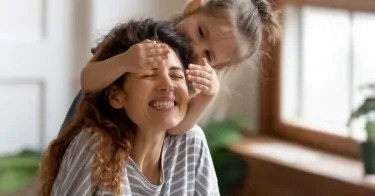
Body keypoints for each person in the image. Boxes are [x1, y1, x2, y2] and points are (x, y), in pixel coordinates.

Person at [40, 19, 219, 196]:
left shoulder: (192, 143)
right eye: (149, 74)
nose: (167, 85)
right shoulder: (95, 148)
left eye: (176, 75)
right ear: (117, 97)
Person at [60, 0, 279, 135]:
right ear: (193, 7)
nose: (195, 47)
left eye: (208, 54)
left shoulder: (185, 81)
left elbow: (175, 129)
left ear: (215, 66)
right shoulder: (136, 35)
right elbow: (88, 80)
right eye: (201, 32)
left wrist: (205, 97)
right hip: (85, 130)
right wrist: (125, 61)